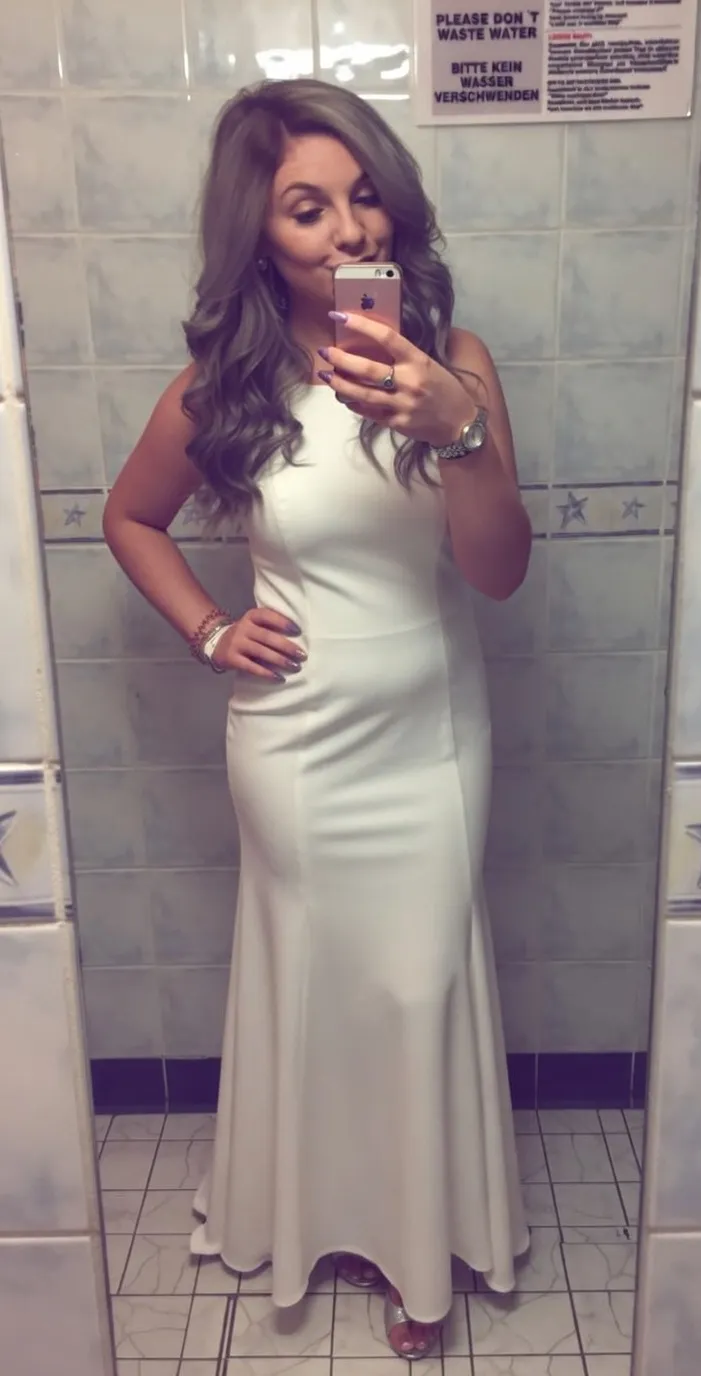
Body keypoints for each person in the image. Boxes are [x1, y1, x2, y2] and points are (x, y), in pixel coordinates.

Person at [103, 77, 532, 1361]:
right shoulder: (221, 388)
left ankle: (417, 1244)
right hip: (292, 743)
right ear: (258, 234)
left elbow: (499, 572)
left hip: (431, 734)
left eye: (363, 196)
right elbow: (129, 517)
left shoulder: (455, 365)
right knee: (314, 977)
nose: (351, 230)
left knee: (415, 976)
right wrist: (210, 628)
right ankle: (316, 1213)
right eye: (307, 208)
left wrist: (458, 432)